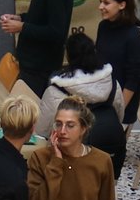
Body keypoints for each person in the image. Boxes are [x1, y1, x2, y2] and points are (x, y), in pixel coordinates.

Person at [46, 30, 124, 169]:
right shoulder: (112, 83)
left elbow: (43, 129)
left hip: (72, 156)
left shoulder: (56, 89)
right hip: (110, 150)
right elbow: (119, 114)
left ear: (68, 56)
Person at [93, 0, 140, 128]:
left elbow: (134, 78)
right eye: (100, 2)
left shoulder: (133, 35)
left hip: (121, 105)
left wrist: (118, 109)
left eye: (106, 3)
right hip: (101, 98)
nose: (100, 7)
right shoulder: (103, 26)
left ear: (122, 5)